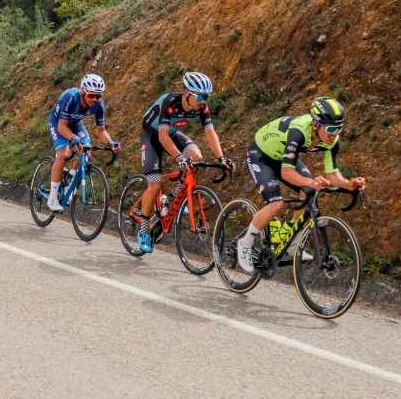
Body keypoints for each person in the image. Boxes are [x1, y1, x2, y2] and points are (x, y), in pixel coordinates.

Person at [235, 96, 366, 272]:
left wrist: (347, 184)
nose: (335, 133)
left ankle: (291, 239)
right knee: (276, 204)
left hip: (282, 158)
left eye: (339, 128)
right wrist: (311, 181)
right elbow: (286, 172)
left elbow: (332, 174)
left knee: (308, 191)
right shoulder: (298, 131)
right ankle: (245, 243)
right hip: (261, 155)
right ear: (315, 125)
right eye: (331, 128)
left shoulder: (332, 140)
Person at [135, 72, 234, 254]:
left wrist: (221, 157)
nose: (203, 101)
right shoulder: (170, 103)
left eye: (206, 97)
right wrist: (179, 157)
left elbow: (210, 133)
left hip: (171, 135)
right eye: (200, 96)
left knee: (196, 158)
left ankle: (174, 196)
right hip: (152, 136)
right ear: (187, 93)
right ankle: (143, 227)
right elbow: (162, 136)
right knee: (155, 185)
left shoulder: (201, 108)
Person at [46, 74, 121, 211]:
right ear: (83, 92)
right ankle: (52, 196)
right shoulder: (71, 98)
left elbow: (101, 131)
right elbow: (62, 127)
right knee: (64, 154)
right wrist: (72, 138)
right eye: (91, 95)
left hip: (76, 123)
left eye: (98, 96)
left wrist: (110, 143)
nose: (94, 99)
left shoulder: (99, 105)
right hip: (58, 122)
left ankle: (70, 176)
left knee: (86, 152)